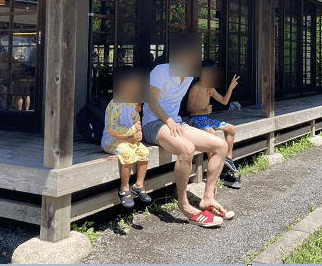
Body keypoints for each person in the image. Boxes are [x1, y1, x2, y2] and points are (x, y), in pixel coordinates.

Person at [142, 33, 234, 227]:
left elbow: (209, 89)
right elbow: (152, 101)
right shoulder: (161, 71)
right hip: (153, 124)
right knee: (187, 148)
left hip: (175, 123)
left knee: (221, 146)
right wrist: (168, 121)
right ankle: (184, 204)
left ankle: (208, 197)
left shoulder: (191, 75)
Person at [102, 69, 153, 208]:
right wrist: (132, 130)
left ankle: (139, 185)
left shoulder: (135, 104)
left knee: (144, 152)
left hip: (129, 139)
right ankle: (124, 188)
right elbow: (111, 128)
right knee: (127, 153)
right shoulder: (116, 104)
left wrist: (138, 134)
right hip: (111, 141)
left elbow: (137, 123)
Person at [187, 60, 241, 188]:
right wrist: (204, 111)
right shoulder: (195, 88)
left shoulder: (210, 87)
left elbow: (224, 101)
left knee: (231, 128)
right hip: (195, 119)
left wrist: (230, 88)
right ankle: (213, 167)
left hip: (206, 119)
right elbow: (189, 108)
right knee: (212, 132)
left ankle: (228, 158)